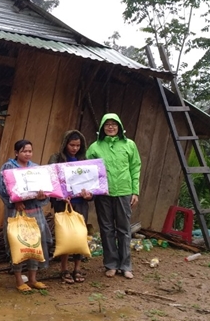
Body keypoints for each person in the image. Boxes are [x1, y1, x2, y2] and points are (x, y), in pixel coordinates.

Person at [86, 113, 141, 279]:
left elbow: (135, 167)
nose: (111, 127)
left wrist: (135, 191)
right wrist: (91, 189)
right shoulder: (95, 147)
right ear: (102, 127)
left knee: (124, 229)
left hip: (124, 191)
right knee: (107, 228)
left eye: (114, 124)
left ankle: (125, 266)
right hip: (104, 194)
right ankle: (111, 264)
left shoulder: (129, 145)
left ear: (119, 126)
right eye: (107, 124)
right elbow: (89, 171)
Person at [0, 139, 52, 293]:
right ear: (16, 152)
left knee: (35, 244)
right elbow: (0, 188)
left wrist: (42, 196)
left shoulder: (35, 168)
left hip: (34, 211)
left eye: (30, 151)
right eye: (24, 151)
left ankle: (33, 279)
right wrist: (14, 202)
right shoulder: (8, 167)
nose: (27, 154)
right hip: (16, 212)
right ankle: (19, 279)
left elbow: (45, 188)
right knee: (18, 243)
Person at [48, 130, 93, 284]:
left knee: (80, 235)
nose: (74, 148)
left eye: (78, 145)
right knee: (65, 236)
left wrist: (89, 194)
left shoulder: (84, 162)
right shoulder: (56, 159)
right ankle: (64, 269)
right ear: (65, 144)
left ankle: (77, 268)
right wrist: (61, 196)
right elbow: (51, 181)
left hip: (81, 203)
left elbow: (91, 184)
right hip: (63, 204)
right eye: (72, 145)